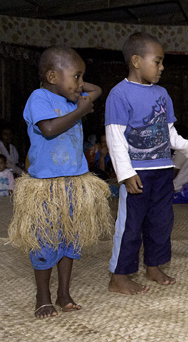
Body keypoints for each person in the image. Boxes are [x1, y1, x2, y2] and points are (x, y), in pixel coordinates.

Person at [8, 46, 111, 318]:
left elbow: (97, 89)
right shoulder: (38, 98)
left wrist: (74, 85)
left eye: (81, 78)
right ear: (52, 76)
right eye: (77, 77)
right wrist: (79, 108)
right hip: (45, 188)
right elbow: (49, 129)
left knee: (70, 241)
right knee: (44, 243)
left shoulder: (71, 97)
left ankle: (64, 292)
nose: (80, 83)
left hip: (74, 185)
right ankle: (43, 295)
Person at [105, 32, 188, 295]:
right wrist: (126, 174)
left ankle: (153, 265)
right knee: (131, 224)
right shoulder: (119, 94)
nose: (162, 68)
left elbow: (168, 132)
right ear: (136, 61)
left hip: (162, 171)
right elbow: (115, 139)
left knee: (161, 221)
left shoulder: (162, 93)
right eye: (158, 61)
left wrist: (187, 146)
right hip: (136, 173)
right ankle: (119, 276)